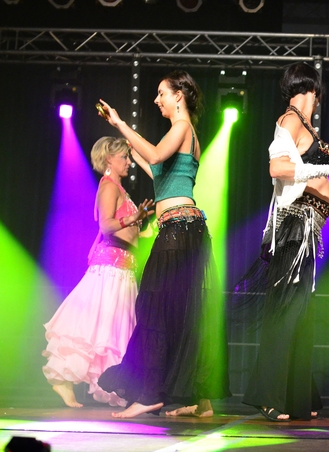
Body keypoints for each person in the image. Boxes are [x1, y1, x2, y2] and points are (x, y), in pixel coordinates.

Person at [96, 70, 231, 418]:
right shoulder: (186, 134)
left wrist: (121, 123)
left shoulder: (182, 127)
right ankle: (200, 400)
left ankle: (150, 393)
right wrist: (127, 139)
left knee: (154, 308)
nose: (157, 100)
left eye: (161, 93)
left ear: (178, 96)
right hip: (185, 230)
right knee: (182, 312)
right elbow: (158, 170)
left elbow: (155, 156)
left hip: (178, 230)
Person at [233, 62, 329, 422]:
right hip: (295, 230)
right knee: (287, 311)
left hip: (307, 227)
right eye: (317, 94)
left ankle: (298, 396)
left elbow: (303, 181)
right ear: (312, 90)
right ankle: (266, 395)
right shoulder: (290, 120)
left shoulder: (304, 125)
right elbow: (278, 169)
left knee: (300, 314)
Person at [42, 137, 153, 408]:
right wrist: (134, 218)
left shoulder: (119, 188)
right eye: (124, 157)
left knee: (111, 330)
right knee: (91, 326)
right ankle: (63, 379)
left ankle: (115, 386)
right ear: (108, 160)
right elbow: (106, 225)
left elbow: (127, 231)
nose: (129, 162)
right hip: (110, 268)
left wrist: (145, 229)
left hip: (122, 267)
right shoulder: (108, 186)